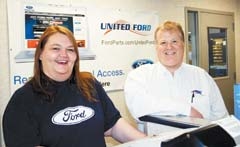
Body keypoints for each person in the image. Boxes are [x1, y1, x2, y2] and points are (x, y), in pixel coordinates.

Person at [3, 25, 146, 147]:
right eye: (55, 48)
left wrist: (151, 143)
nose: (64, 55)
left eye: (70, 50)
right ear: (40, 54)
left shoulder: (90, 84)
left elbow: (114, 126)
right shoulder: (22, 100)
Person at [124, 21, 229, 122]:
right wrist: (187, 110)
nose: (169, 47)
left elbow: (221, 117)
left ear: (183, 44)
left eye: (174, 41)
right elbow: (139, 107)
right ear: (156, 47)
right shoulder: (139, 76)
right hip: (158, 140)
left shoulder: (201, 76)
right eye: (163, 42)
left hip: (199, 139)